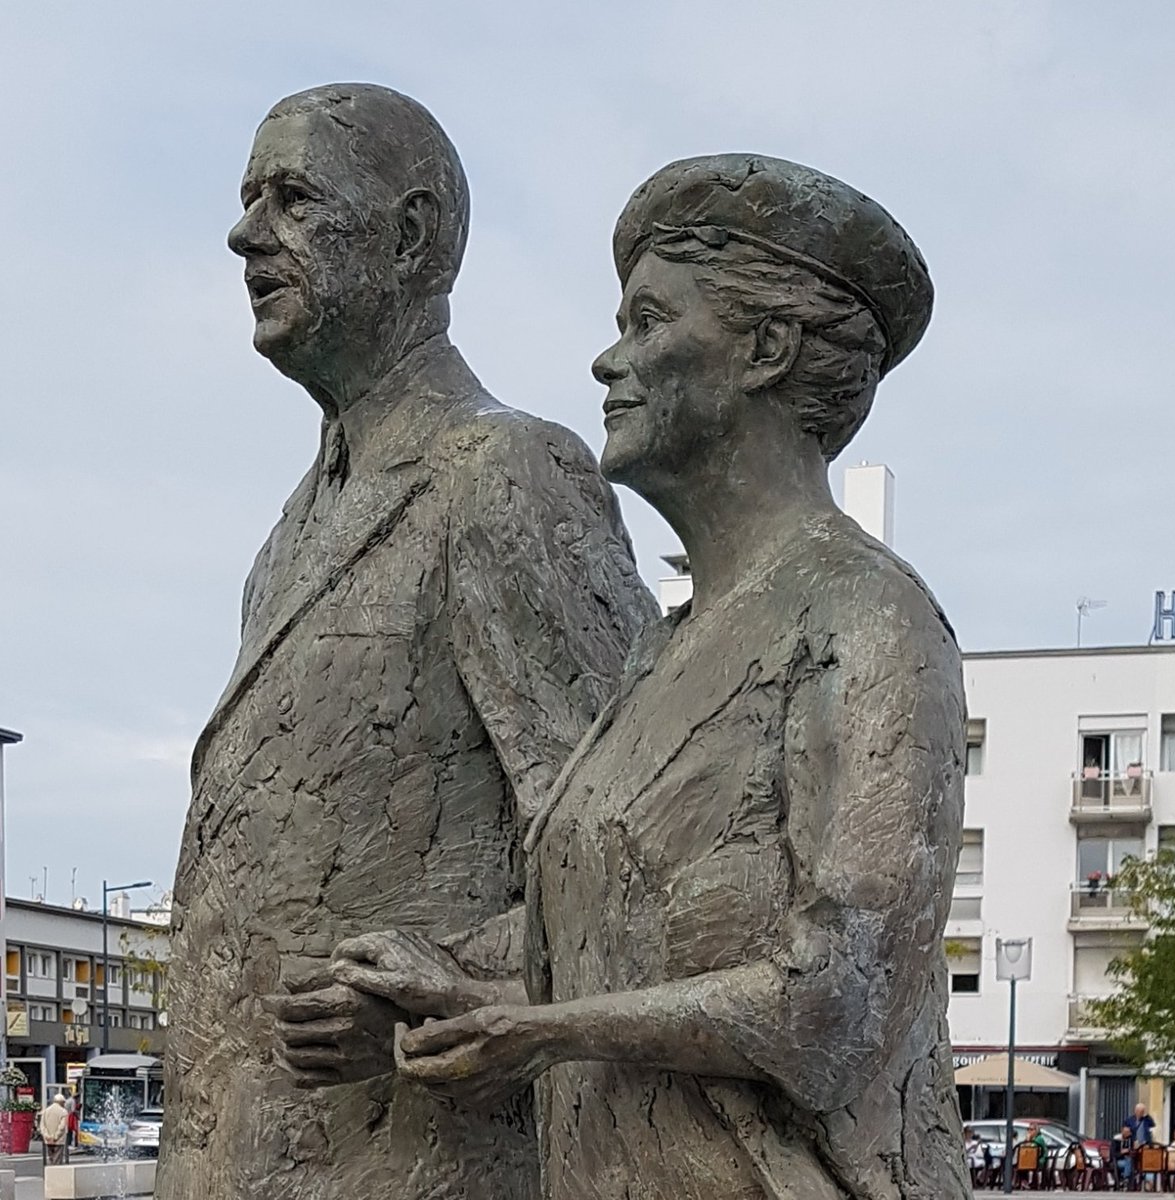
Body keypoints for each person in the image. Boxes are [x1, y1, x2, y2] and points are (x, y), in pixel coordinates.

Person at [366, 155, 970, 1198]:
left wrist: (540, 1034)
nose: (610, 360)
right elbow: (613, 928)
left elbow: (838, 1002)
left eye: (648, 321)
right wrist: (441, 975)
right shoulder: (663, 651)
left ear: (766, 349)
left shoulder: (868, 616)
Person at [157, 84, 656, 1200]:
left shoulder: (507, 475)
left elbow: (628, 860)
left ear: (411, 235)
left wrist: (438, 989)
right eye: (248, 200)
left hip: (407, 1161)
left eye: (290, 199)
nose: (246, 233)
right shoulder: (292, 525)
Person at [38, 1093, 69, 1166]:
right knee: (57, 1160)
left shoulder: (46, 1111)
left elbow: (42, 1125)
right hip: (58, 1140)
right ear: (61, 1102)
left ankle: (50, 1172)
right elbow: (62, 1127)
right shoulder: (63, 1112)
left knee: (51, 1158)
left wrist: (47, 1136)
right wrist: (55, 1137)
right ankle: (55, 1175)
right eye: (63, 1102)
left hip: (48, 1140)